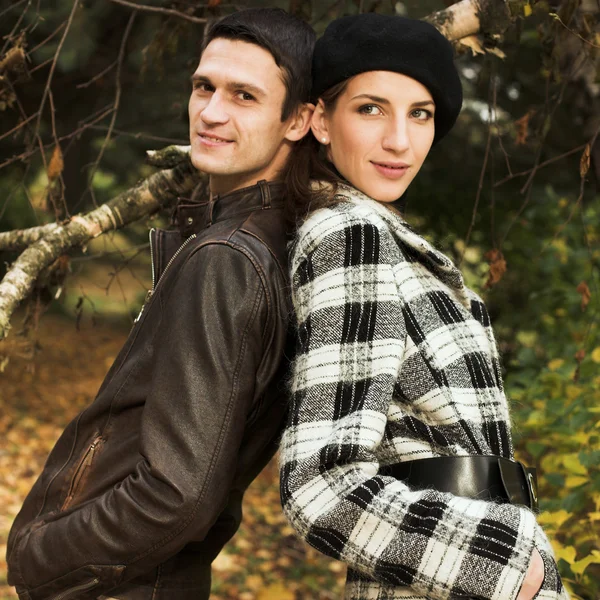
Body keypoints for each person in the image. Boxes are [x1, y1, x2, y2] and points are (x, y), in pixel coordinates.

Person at [6, 8, 314, 600]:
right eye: (204, 87)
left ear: (299, 118)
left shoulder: (229, 258)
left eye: (244, 96)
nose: (211, 113)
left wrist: (40, 557)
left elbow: (178, 496)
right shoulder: (259, 239)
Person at [280, 13, 568, 600]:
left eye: (420, 114)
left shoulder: (381, 235)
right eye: (370, 108)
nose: (399, 141)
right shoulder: (350, 236)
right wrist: (514, 571)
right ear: (320, 121)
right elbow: (323, 483)